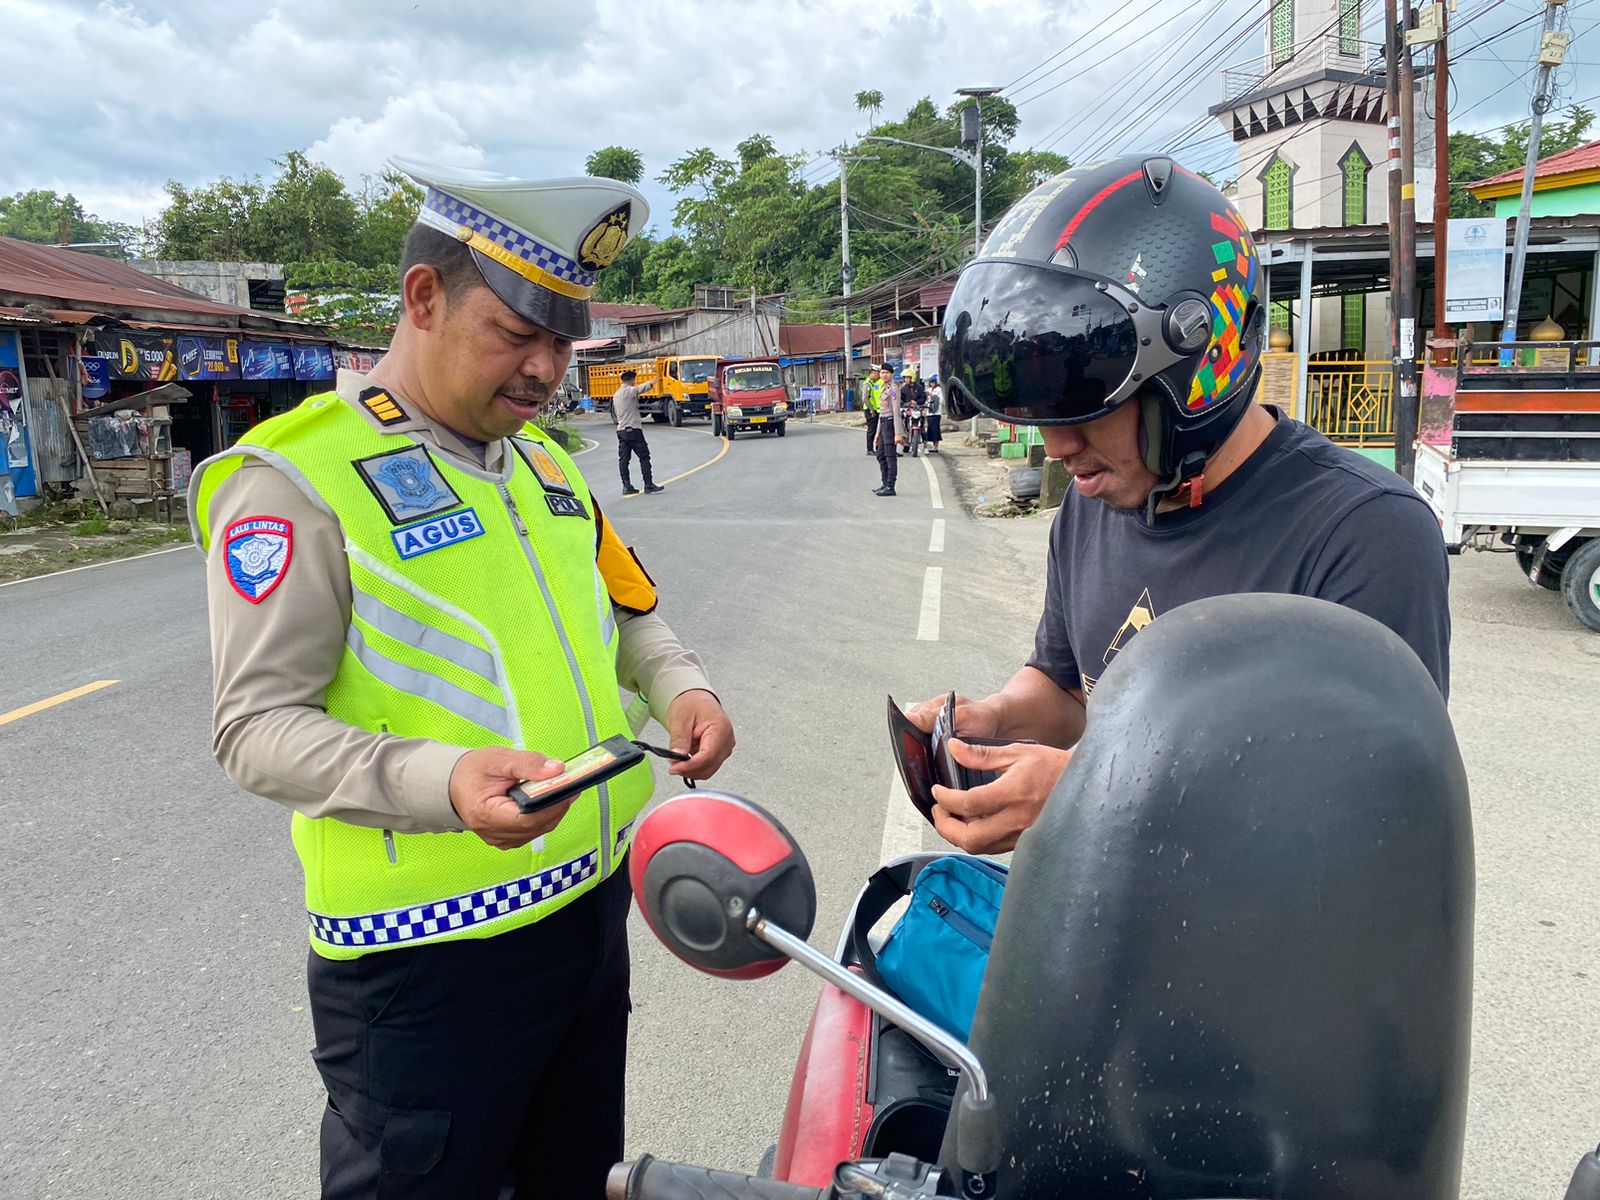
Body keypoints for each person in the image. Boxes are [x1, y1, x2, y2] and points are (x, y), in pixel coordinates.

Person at [189, 156, 735, 1200]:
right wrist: (440, 782)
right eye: (516, 335)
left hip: (585, 917)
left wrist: (683, 689)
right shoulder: (294, 482)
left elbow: (628, 617)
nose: (544, 372)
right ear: (423, 298)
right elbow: (253, 727)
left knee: (578, 1182)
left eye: (562, 345)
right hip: (424, 969)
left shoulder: (545, 466)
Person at [910, 155, 1449, 855]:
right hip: (1117, 927)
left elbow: (1370, 811)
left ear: (1200, 366)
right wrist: (997, 717)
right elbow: (1070, 689)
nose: (1059, 446)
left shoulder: (1364, 532)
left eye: (1086, 406)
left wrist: (1088, 797)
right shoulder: (1096, 500)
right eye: (1040, 414)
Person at [613, 369, 662, 494]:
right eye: (634, 380)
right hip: (633, 430)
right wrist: (652, 382)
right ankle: (648, 484)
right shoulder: (628, 391)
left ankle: (626, 485)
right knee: (644, 456)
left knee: (624, 459)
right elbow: (639, 389)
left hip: (621, 431)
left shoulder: (616, 394)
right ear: (631, 380)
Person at [874, 367, 905, 496]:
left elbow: (896, 411)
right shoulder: (884, 388)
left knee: (890, 456)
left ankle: (890, 487)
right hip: (883, 424)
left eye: (887, 373)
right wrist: (877, 433)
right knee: (880, 455)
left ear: (892, 374)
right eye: (882, 372)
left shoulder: (893, 390)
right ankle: (885, 483)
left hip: (891, 425)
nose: (884, 375)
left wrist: (898, 433)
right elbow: (882, 412)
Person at [864, 365, 882, 455]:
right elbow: (865, 399)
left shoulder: (874, 382)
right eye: (878, 373)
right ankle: (869, 449)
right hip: (870, 410)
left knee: (876, 429)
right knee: (871, 430)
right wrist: (872, 410)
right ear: (873, 373)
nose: (879, 376)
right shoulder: (868, 383)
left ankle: (878, 448)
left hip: (875, 409)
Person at [924, 375, 944, 452]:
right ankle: (930, 445)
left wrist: (933, 396)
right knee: (929, 429)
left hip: (936, 413)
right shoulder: (928, 390)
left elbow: (941, 401)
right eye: (930, 382)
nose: (931, 384)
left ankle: (936, 446)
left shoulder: (939, 390)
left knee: (935, 429)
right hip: (929, 412)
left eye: (933, 382)